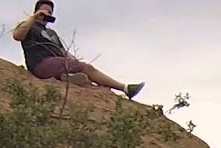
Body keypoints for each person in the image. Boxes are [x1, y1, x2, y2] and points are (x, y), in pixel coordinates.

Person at [13, 1, 144, 99]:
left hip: (57, 62)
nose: (46, 15)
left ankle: (65, 77)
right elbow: (17, 36)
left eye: (50, 13)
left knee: (84, 75)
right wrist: (33, 18)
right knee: (87, 68)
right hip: (40, 63)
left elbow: (61, 50)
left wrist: (73, 59)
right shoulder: (28, 26)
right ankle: (125, 88)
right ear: (36, 11)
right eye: (44, 11)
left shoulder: (51, 33)